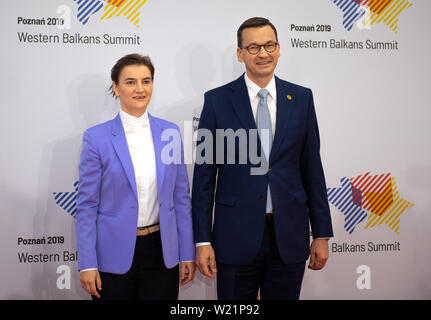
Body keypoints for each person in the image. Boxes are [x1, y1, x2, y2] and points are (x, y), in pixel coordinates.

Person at [192, 17, 333, 300]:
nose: (263, 54)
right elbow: (204, 177)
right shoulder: (217, 101)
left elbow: (312, 169)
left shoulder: (302, 98)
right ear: (240, 53)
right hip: (235, 237)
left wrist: (321, 233)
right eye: (253, 47)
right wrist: (202, 240)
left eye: (269, 45)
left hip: (289, 235)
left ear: (279, 49)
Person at [75, 54, 195, 300]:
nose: (140, 89)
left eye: (146, 81)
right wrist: (87, 262)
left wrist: (186, 253)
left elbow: (180, 198)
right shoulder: (96, 138)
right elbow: (86, 205)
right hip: (113, 254)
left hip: (162, 252)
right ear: (116, 87)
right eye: (130, 82)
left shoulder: (170, 132)